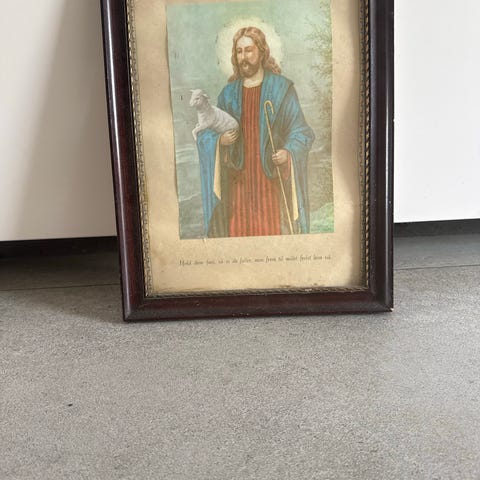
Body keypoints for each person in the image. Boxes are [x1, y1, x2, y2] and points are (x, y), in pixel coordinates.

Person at [196, 26, 315, 237]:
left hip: (270, 183)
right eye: (239, 51)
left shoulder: (281, 89)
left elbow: (301, 132)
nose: (244, 57)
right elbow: (207, 131)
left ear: (262, 52)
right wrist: (219, 140)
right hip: (238, 187)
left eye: (249, 50)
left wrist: (287, 152)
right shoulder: (228, 94)